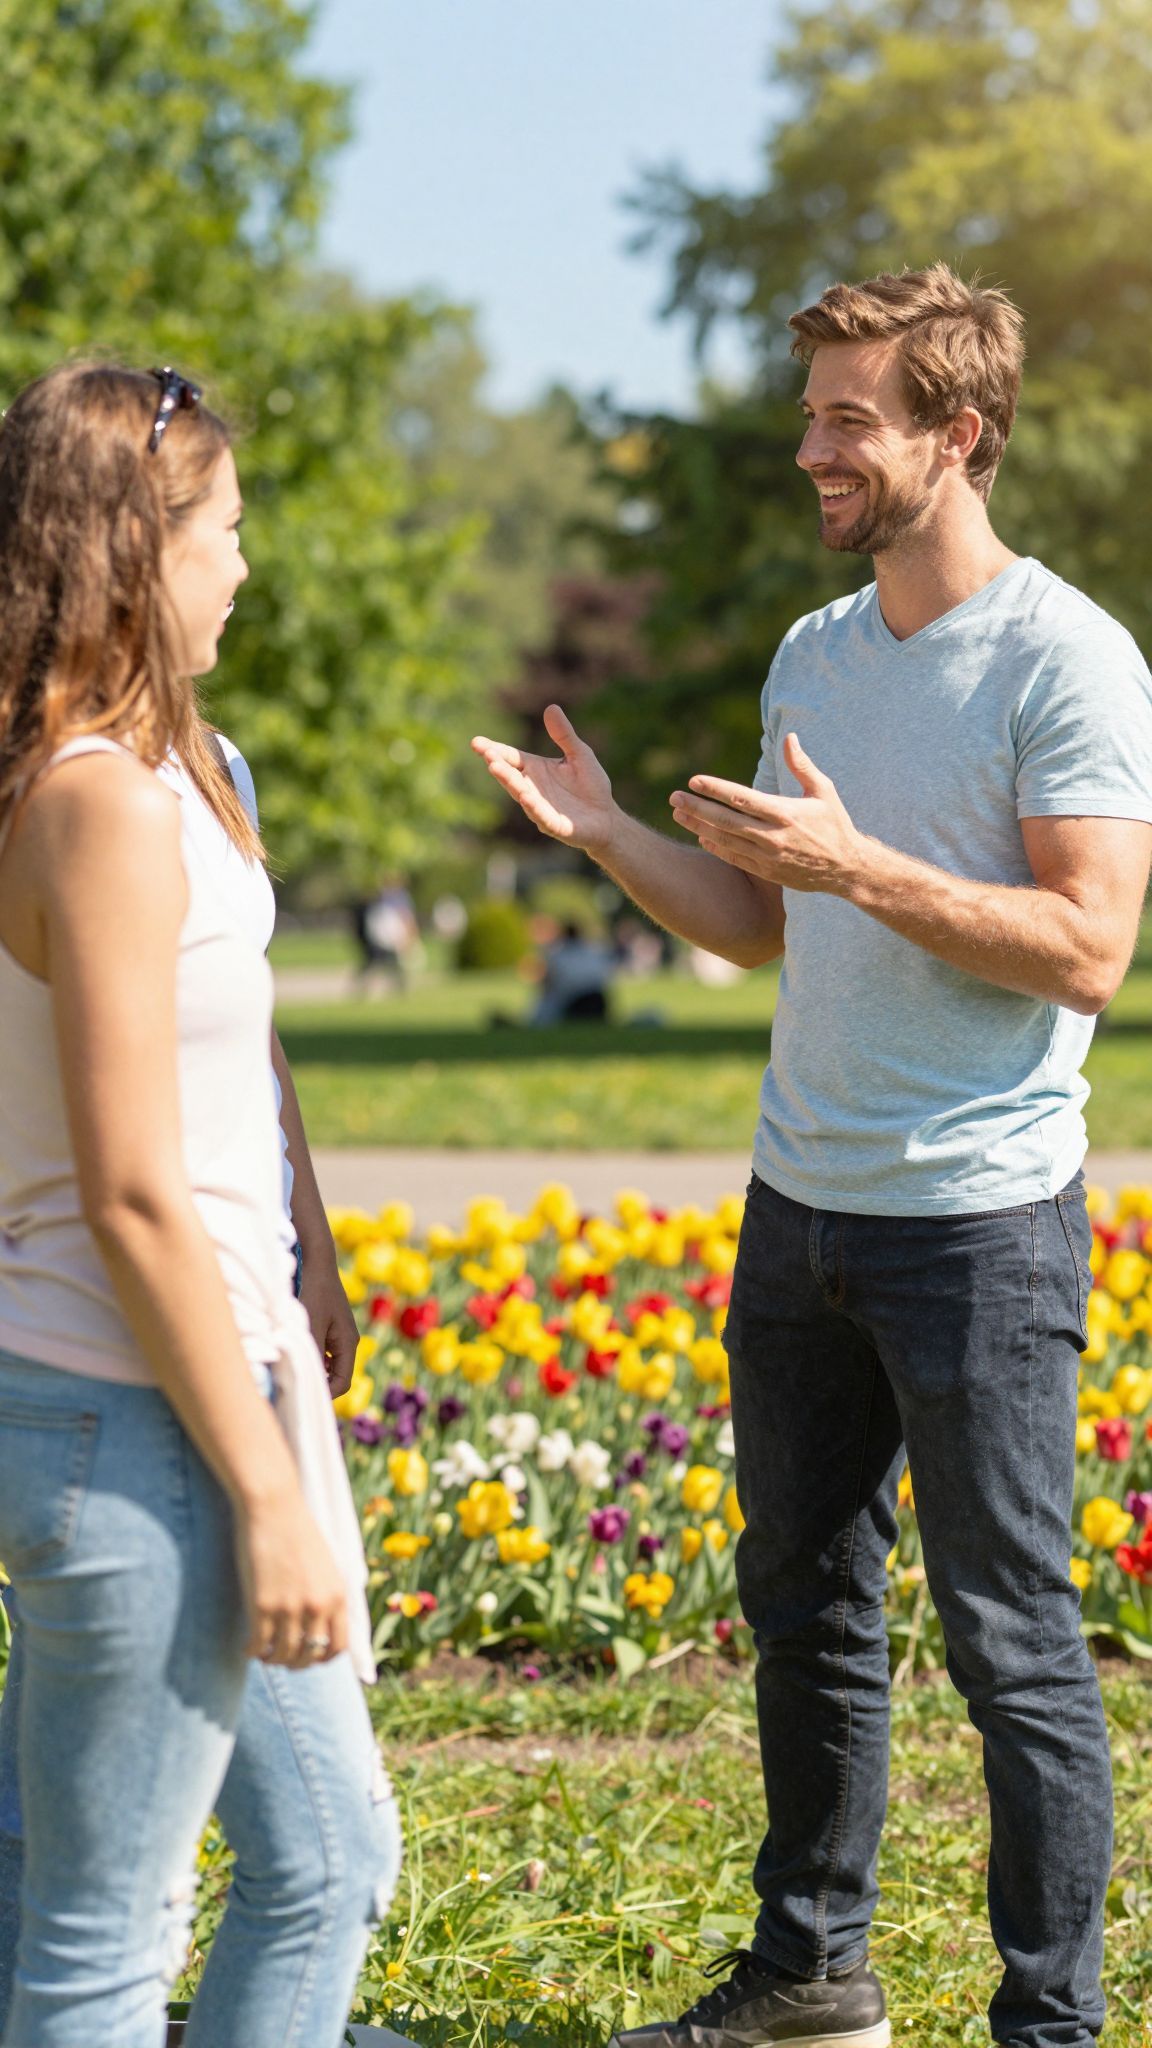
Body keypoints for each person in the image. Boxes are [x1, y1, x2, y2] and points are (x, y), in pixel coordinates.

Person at [472, 264, 1152, 2048]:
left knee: (1012, 1641)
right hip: (802, 1211)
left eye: (851, 420)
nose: (810, 452)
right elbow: (766, 928)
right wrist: (607, 834)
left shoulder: (1070, 659)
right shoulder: (816, 653)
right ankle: (811, 1976)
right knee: (804, 1610)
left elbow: (1089, 947)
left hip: (979, 1225)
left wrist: (862, 867)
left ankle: (1053, 2024)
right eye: (811, 416)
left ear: (961, 433)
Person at [0, 362, 400, 2048]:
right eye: (224, 530)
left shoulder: (161, 776)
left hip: (162, 1394)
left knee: (309, 1863)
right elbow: (131, 1192)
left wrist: (308, 1259)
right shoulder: (92, 802)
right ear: (136, 550)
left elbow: (230, 1075)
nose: (245, 563)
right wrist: (265, 1493)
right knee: (112, 1942)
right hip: (137, 1414)